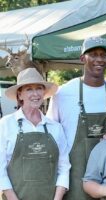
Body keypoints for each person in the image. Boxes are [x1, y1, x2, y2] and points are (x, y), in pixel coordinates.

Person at [46, 36, 106, 200]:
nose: (99, 59)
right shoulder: (63, 94)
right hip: (73, 176)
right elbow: (50, 136)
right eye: (93, 54)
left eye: (103, 55)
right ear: (82, 58)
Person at [0, 68, 70, 200]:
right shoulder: (5, 124)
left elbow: (64, 167)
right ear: (20, 95)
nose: (35, 94)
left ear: (44, 93)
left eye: (39, 88)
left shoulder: (55, 128)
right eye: (29, 89)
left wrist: (57, 198)